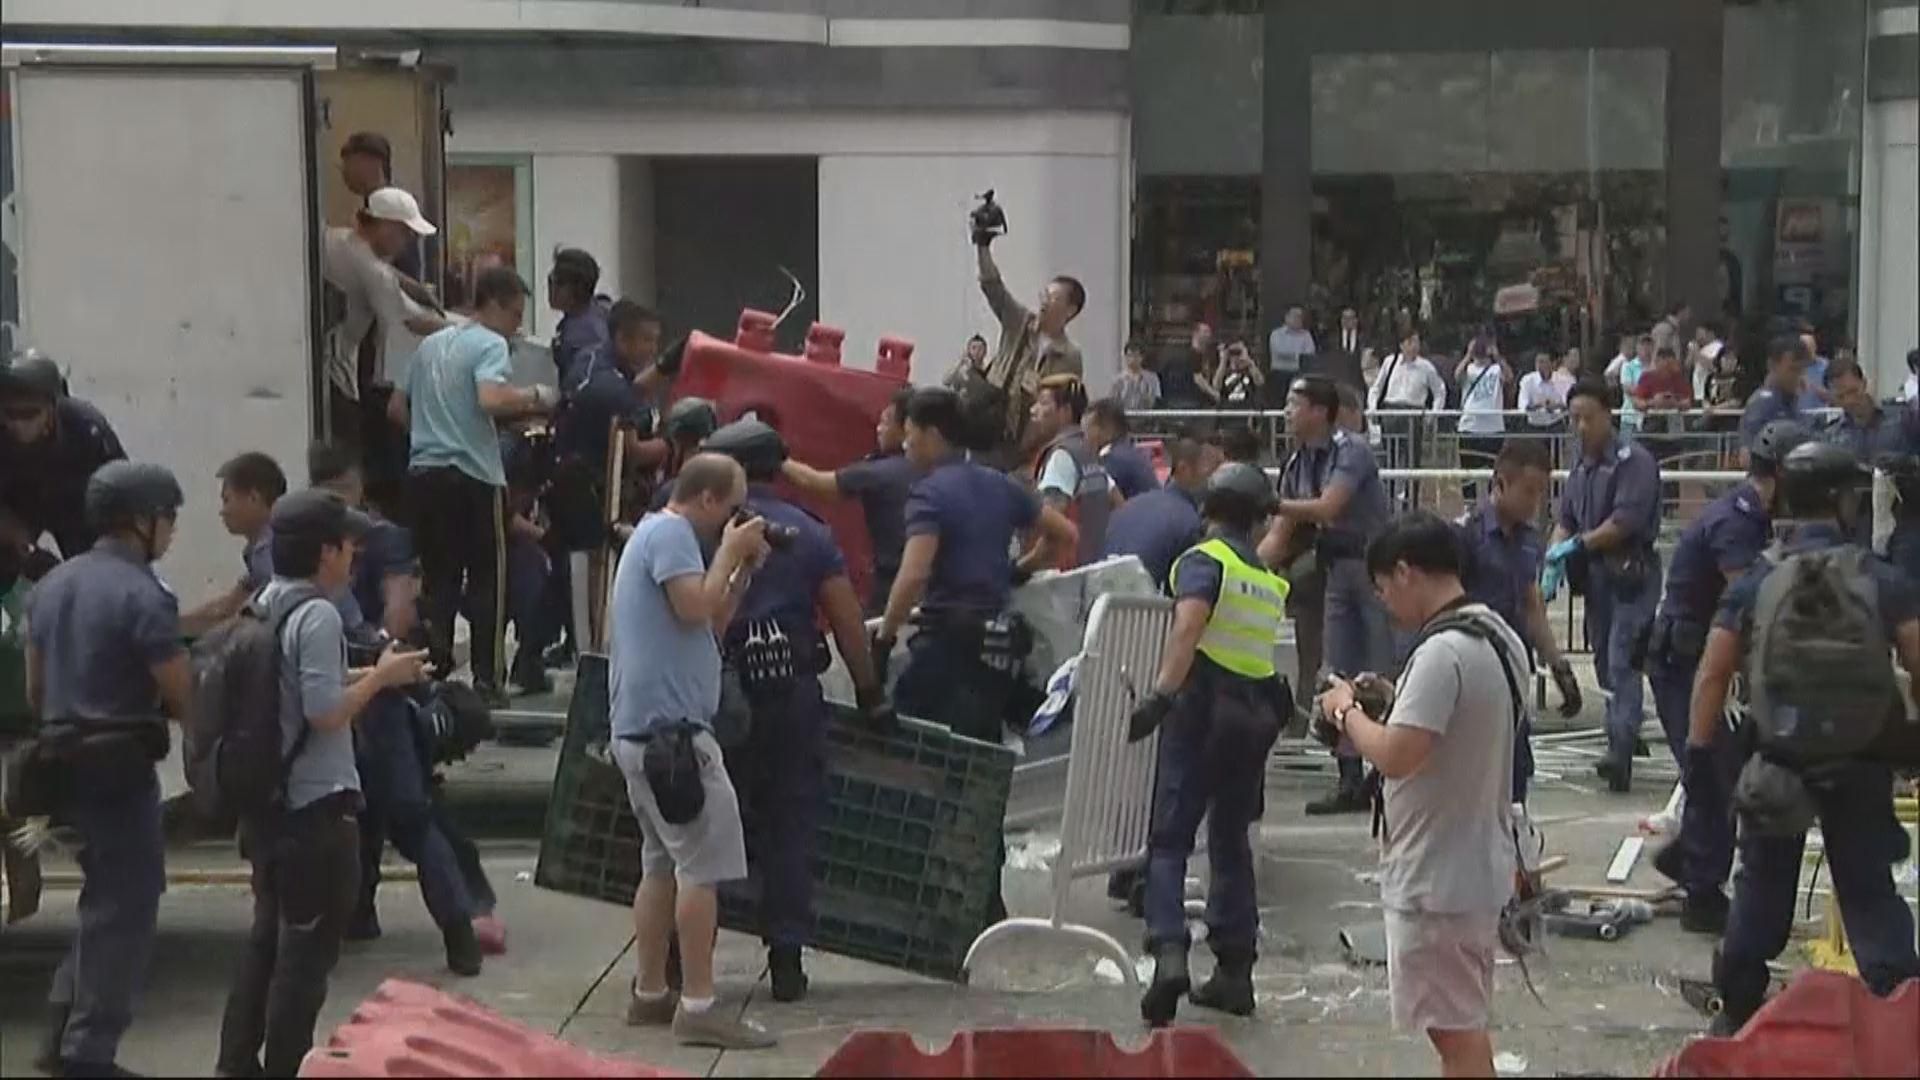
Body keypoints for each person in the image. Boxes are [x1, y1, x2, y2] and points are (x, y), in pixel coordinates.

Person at [1690, 440, 1920, 1035]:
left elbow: (1714, 671)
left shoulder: (1759, 582)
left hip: (1778, 764)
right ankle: (1899, 1018)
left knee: (1761, 891)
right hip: (1863, 760)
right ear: (1846, 501)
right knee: (1871, 895)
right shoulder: (1879, 578)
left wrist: (1700, 755)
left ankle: (1736, 1012)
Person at [212, 491, 429, 1078]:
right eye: (347, 545)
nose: (355, 554)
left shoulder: (266, 605)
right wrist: (380, 677)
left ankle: (236, 1063)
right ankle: (285, 1065)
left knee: (265, 942)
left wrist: (379, 676)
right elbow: (325, 711)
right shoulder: (320, 614)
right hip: (315, 809)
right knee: (305, 956)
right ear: (324, 552)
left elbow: (302, 686)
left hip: (267, 806)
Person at [1316, 512, 1528, 1080]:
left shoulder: (1442, 652)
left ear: (1405, 572)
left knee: (1454, 1036)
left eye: (1383, 588)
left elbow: (1395, 754)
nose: (1384, 602)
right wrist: (1392, 696)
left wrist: (1345, 711)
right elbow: (1450, 727)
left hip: (1439, 880)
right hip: (1473, 864)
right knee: (1461, 1026)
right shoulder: (1498, 635)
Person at [699, 420, 887, 1004]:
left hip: (711, 690)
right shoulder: (807, 533)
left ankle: (686, 954)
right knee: (790, 819)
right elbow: (846, 617)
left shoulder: (698, 526)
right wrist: (869, 692)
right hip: (788, 692)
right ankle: (786, 960)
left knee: (700, 822)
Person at [875, 389, 1073, 917]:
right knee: (979, 774)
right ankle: (984, 902)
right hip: (994, 652)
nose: (906, 440)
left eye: (911, 431)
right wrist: (1017, 571)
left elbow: (914, 572)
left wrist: (884, 634)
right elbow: (1062, 533)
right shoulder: (1000, 485)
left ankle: (935, 898)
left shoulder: (930, 494)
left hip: (946, 650)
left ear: (935, 433)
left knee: (915, 764)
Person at [25, 462, 193, 1078]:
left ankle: (58, 1033)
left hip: (59, 761)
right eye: (169, 518)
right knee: (128, 906)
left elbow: (36, 685)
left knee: (100, 901)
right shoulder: (144, 592)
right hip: (119, 766)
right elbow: (178, 691)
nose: (172, 531)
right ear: (143, 520)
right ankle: (88, 1054)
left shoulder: (52, 585)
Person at [611, 454, 778, 1050]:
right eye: (732, 510)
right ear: (707, 500)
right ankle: (699, 1005)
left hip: (644, 733)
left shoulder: (663, 539)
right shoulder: (672, 533)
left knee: (660, 864)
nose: (735, 522)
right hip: (674, 739)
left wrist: (741, 572)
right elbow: (691, 607)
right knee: (701, 870)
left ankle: (651, 992)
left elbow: (711, 621)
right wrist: (730, 554)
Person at [1127, 462, 1290, 1027]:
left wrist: (1159, 696)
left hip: (1202, 708)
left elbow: (1188, 626)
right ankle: (1235, 972)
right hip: (1254, 717)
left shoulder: (1203, 561)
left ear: (1208, 509)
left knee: (1170, 840)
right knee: (1229, 840)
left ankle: (1169, 952)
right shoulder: (1267, 578)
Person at [1645, 420, 1811, 935]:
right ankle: (1702, 891)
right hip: (1687, 662)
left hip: (1709, 660)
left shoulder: (1762, 520)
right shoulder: (1737, 523)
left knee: (1729, 769)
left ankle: (1693, 856)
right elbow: (1755, 606)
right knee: (1712, 772)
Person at [389, 267, 558, 703]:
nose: (518, 325)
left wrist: (431, 433)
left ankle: (434, 671)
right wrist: (536, 397)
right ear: (494, 304)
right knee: (486, 579)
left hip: (424, 475)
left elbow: (396, 408)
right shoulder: (490, 344)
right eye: (516, 313)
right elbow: (490, 399)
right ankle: (487, 679)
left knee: (439, 577)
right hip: (473, 476)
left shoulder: (429, 346)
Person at [1259, 376, 1393, 815]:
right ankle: (1350, 778)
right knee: (1338, 674)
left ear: (1319, 410)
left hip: (1376, 574)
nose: (1286, 412)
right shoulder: (1298, 461)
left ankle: (1385, 778)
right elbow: (1283, 534)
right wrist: (1243, 570)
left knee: (1378, 673)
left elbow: (1328, 507)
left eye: (1293, 403)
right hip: (1336, 570)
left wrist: (1267, 505)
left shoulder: (1349, 450)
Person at [1541, 379, 1663, 791]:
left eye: (1587, 418)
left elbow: (1623, 522)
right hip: (1595, 581)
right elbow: (1567, 517)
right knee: (1604, 665)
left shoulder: (1634, 462)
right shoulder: (1582, 466)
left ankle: (1621, 750)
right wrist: (1553, 554)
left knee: (1622, 658)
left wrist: (1577, 544)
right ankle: (1625, 731)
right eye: (1574, 419)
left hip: (1631, 573)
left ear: (1608, 415)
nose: (1580, 427)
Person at [1456, 440, 1583, 802]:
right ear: (1500, 484)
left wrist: (1558, 665)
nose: (1535, 503)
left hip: (1512, 669)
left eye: (1542, 493)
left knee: (1516, 770)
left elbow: (1532, 604)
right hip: (1471, 667)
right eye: (1528, 491)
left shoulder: (1529, 541)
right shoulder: (1467, 535)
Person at [322, 188, 449, 460]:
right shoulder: (375, 273)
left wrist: (411, 285)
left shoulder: (335, 239)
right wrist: (468, 329)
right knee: (346, 458)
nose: (407, 241)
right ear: (385, 226)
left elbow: (374, 267)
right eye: (405, 232)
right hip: (338, 373)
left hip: (320, 363)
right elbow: (412, 321)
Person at [782, 387, 917, 615]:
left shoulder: (881, 473)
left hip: (893, 585)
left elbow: (814, 483)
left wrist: (775, 457)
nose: (879, 428)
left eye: (886, 422)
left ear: (907, 429)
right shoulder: (937, 470)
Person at [960, 233, 1085, 464]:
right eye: (1044, 295)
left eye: (1052, 298)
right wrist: (982, 247)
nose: (1044, 302)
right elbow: (994, 288)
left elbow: (1063, 407)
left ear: (1070, 311)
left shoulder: (1070, 356)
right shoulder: (1020, 323)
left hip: (1025, 447)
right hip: (989, 429)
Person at [0, 349, 127, 566]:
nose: (18, 425)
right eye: (10, 414)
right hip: (17, 504)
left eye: (29, 414)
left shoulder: (85, 429)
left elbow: (122, 493)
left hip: (77, 506)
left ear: (52, 408)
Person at [182, 452, 289, 636]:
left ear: (253, 498)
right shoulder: (258, 549)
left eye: (227, 500)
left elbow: (264, 616)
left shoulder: (270, 550)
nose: (223, 512)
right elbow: (228, 605)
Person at [1101, 434, 1224, 588]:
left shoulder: (1132, 505)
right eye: (1212, 472)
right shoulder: (1187, 522)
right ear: (1184, 469)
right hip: (1143, 603)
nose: (1215, 481)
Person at [1027, 375, 1112, 569]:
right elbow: (1117, 502)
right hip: (1092, 568)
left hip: (1063, 577)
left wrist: (1022, 568)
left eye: (1043, 403)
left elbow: (1051, 531)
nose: (1033, 411)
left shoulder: (1061, 458)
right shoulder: (1089, 452)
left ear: (1065, 412)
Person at [1454, 334, 1511, 499]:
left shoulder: (1496, 369)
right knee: (1468, 472)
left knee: (1494, 471)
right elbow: (1457, 377)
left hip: (1493, 428)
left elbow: (1508, 377)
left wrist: (1498, 356)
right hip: (1469, 426)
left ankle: (1493, 505)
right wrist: (1468, 355)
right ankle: (1469, 507)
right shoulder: (1469, 369)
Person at [548, 248, 609, 385]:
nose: (552, 289)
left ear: (579, 288)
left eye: (558, 283)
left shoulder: (586, 334)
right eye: (550, 280)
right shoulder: (594, 312)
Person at [1739, 336, 1810, 454]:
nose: (1799, 376)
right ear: (1772, 365)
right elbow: (1748, 455)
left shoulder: (1794, 400)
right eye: (1793, 369)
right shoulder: (1763, 403)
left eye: (1802, 370)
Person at [1826, 362, 1907, 464]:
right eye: (1840, 397)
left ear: (1864, 384)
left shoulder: (1902, 420)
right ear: (1832, 397)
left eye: (1853, 391)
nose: (1849, 400)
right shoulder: (1833, 436)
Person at [1083, 397, 1159, 502]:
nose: (1085, 437)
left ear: (1107, 428)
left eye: (1088, 429)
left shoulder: (1114, 460)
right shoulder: (1130, 452)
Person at [1267, 305, 1316, 405]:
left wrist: (1294, 356)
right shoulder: (1276, 334)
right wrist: (1298, 356)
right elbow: (1280, 352)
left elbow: (1309, 354)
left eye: (1300, 316)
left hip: (1299, 373)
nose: (1298, 319)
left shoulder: (1306, 335)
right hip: (1280, 373)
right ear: (1287, 317)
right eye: (1295, 316)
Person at [1518, 351, 1568, 432]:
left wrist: (1555, 405)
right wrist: (1539, 405)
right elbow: (1523, 406)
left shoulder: (1563, 380)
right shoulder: (1527, 380)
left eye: (1543, 362)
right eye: (1538, 362)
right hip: (1534, 426)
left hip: (1556, 424)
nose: (1539, 366)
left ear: (1552, 364)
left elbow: (1567, 403)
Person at [1211, 339, 1264, 410]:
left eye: (1238, 353)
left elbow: (1260, 382)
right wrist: (1223, 360)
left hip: (1246, 410)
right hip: (1227, 410)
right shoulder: (1223, 371)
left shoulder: (1249, 370)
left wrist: (1248, 360)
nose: (1235, 357)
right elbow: (1216, 386)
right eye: (1232, 354)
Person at [1113, 341, 1162, 413]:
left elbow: (1156, 401)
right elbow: (1113, 402)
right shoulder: (1118, 380)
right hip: (1124, 419)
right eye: (1129, 356)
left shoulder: (1152, 378)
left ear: (1141, 357)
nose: (1132, 359)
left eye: (1135, 356)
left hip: (1146, 419)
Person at [1690, 322, 1727, 406]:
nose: (1698, 337)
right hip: (1697, 393)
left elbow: (1714, 368)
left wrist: (1697, 354)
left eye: (1700, 334)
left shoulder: (1719, 348)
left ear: (1710, 334)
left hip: (1710, 392)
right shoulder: (1700, 349)